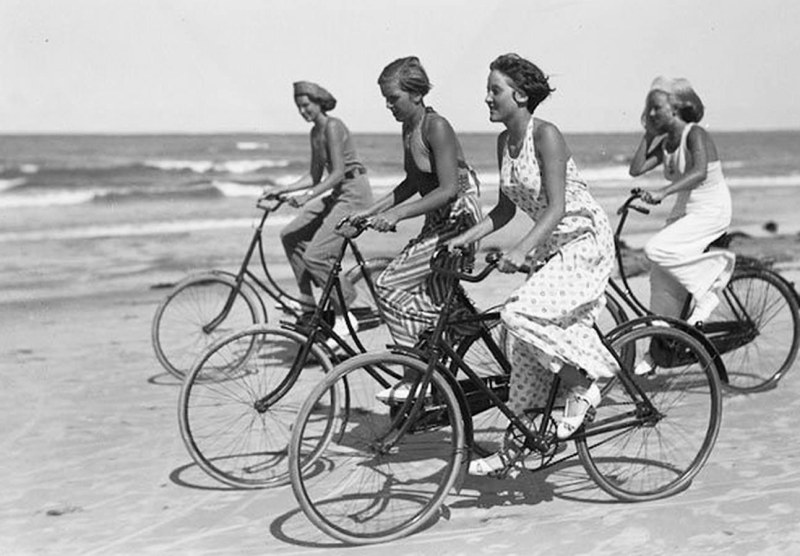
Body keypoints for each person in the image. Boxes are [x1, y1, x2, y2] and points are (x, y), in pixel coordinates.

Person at [447, 53, 619, 475]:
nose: (486, 97)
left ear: (521, 95)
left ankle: (585, 385)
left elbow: (558, 206)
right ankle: (517, 447)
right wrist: (465, 238)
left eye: (495, 90)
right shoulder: (504, 141)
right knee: (522, 346)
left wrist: (522, 249)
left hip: (583, 241)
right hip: (553, 245)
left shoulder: (547, 135)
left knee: (518, 314)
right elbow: (505, 209)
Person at [345, 56, 482, 390]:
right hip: (439, 217)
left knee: (389, 285)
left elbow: (449, 189)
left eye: (393, 98)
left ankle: (416, 375)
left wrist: (396, 215)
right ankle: (455, 332)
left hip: (459, 218)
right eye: (386, 99)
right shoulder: (408, 127)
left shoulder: (436, 126)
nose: (389, 106)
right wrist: (370, 212)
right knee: (434, 297)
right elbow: (411, 184)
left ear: (416, 95)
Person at [629, 77, 735, 373]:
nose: (651, 113)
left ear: (675, 108)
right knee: (659, 278)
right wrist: (648, 133)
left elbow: (700, 172)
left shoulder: (695, 134)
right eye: (649, 109)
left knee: (656, 248)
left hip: (710, 209)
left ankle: (710, 289)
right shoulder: (667, 143)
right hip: (686, 209)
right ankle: (659, 348)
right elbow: (635, 169)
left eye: (657, 108)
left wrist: (662, 192)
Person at [272, 81, 374, 335]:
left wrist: (306, 197)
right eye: (299, 107)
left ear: (319, 102)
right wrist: (282, 190)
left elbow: (338, 173)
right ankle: (307, 302)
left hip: (355, 194)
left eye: (306, 105)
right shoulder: (314, 133)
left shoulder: (332, 126)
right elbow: (314, 176)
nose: (303, 111)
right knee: (290, 236)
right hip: (340, 193)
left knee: (315, 255)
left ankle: (345, 315)